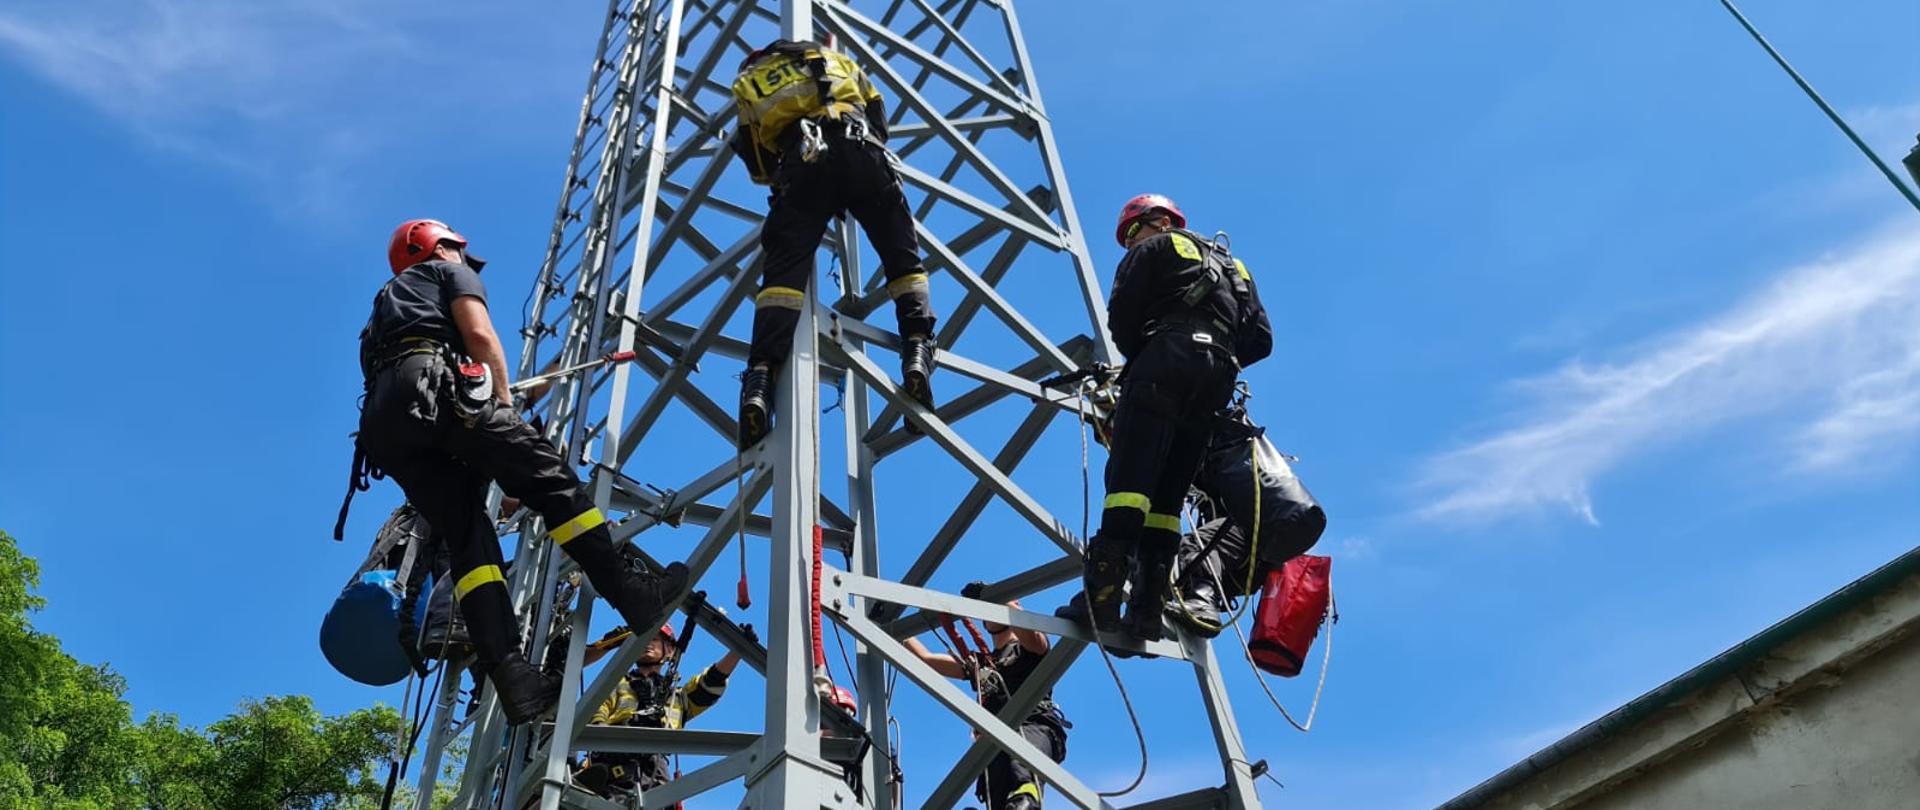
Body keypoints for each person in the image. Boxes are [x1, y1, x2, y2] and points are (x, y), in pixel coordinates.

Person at [355, 219, 689, 724]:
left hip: (389, 428)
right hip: (437, 395)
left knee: (469, 539)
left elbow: (418, 389)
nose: (468, 262)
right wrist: (506, 413)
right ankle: (631, 593)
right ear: (440, 247)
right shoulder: (446, 274)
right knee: (555, 485)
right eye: (461, 253)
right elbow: (480, 337)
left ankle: (515, 679)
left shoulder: (382, 314)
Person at [727, 38, 938, 447]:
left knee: (782, 279)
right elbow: (879, 118)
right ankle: (916, 347)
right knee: (903, 259)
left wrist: (792, 181)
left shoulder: (750, 81)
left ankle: (760, 377)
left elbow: (756, 160)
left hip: (802, 161)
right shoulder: (840, 60)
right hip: (862, 151)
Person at [1080, 195, 1272, 643]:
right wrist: (1215, 354)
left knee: (1128, 487)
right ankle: (1147, 610)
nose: (1130, 243)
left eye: (1133, 232)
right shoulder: (1234, 267)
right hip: (1215, 383)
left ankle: (1101, 599)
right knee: (1167, 501)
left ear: (1160, 221)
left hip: (1163, 365)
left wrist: (1150, 353)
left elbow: (1122, 317)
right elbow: (1261, 341)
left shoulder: (1155, 249)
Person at [903, 586, 1069, 810]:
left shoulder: (1028, 648)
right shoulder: (982, 664)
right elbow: (927, 659)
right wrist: (896, 630)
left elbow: (1033, 639)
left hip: (1034, 726)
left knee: (1020, 771)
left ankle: (1027, 800)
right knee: (997, 786)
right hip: (994, 741)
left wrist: (996, 598)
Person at [575, 623, 747, 800]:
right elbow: (596, 715)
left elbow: (710, 682)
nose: (648, 643)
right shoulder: (616, 684)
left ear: (671, 650)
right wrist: (606, 741)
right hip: (614, 772)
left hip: (654, 778)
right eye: (643, 640)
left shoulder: (677, 698)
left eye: (655, 640)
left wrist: (737, 651)